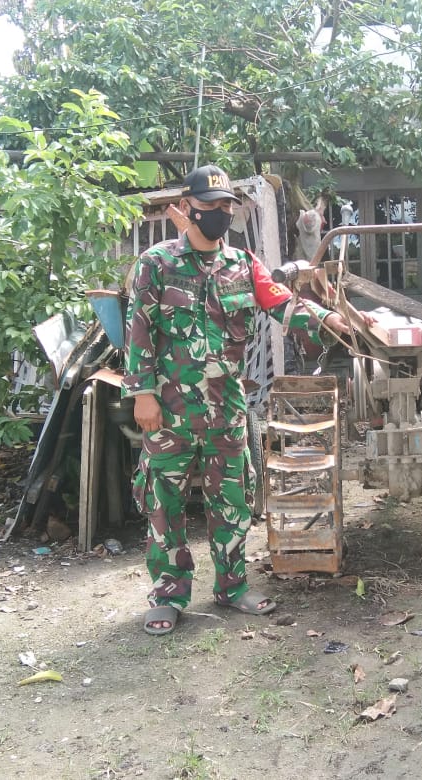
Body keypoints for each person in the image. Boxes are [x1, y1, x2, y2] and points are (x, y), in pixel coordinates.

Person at [123, 164, 352, 635]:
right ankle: (169, 594)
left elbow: (283, 303)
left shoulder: (244, 265)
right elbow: (139, 331)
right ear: (188, 209)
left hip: (226, 408)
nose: (220, 215)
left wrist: (328, 320)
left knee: (231, 501)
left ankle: (231, 587)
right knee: (163, 504)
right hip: (168, 412)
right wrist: (142, 395)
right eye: (210, 207)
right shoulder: (157, 263)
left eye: (227, 207)